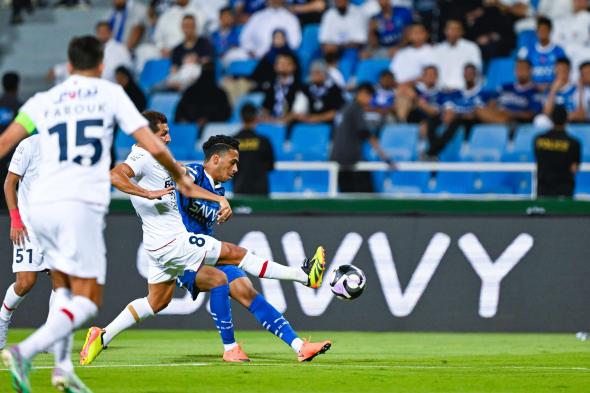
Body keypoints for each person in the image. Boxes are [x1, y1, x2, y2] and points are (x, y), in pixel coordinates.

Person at [0, 35, 202, 393]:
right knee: (86, 298)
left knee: (62, 287)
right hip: (75, 204)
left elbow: (3, 144)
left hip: (40, 209)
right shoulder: (109, 95)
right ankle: (24, 351)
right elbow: (149, 140)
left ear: (69, 64)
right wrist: (180, 177)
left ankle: (62, 370)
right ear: (100, 66)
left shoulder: (43, 101)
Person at [78, 116, 329, 365]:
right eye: (232, 163)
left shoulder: (210, 186)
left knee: (162, 300)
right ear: (216, 159)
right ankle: (303, 276)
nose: (169, 137)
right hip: (178, 248)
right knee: (233, 258)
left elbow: (184, 186)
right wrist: (147, 192)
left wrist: (218, 200)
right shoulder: (173, 166)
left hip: (177, 249)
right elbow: (120, 175)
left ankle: (299, 346)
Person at [0, 135, 49, 351]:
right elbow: (10, 183)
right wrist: (15, 219)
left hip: (58, 229)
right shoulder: (29, 145)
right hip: (29, 227)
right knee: (25, 282)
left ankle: (51, 335)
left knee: (61, 280)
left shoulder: (72, 147)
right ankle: (3, 318)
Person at [330, 83, 392, 193]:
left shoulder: (345, 108)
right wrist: (384, 156)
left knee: (347, 196)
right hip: (350, 159)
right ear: (361, 94)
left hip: (336, 157)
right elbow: (366, 134)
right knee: (367, 195)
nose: (369, 100)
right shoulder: (356, 109)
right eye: (369, 96)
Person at [476, 59, 542, 124]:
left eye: (523, 69)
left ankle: (504, 123)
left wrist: (510, 113)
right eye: (517, 69)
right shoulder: (505, 87)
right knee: (479, 110)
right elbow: (489, 100)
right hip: (498, 115)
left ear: (530, 71)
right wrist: (493, 105)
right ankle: (503, 123)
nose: (520, 72)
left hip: (515, 119)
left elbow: (530, 114)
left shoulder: (535, 91)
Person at [534, 105, 581, 197]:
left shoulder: (538, 140)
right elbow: (574, 169)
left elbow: (537, 159)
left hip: (543, 191)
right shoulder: (574, 143)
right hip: (564, 191)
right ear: (566, 119)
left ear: (551, 119)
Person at [232, 104, 275, 195]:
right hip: (260, 191)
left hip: (240, 191)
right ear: (256, 117)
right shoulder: (264, 141)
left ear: (241, 117)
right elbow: (271, 166)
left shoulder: (232, 142)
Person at [517, 16, 567, 91]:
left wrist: (551, 86)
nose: (542, 33)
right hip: (531, 91)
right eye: (540, 30)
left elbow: (563, 73)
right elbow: (521, 73)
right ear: (536, 32)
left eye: (545, 30)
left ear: (550, 31)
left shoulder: (559, 51)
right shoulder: (526, 51)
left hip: (553, 90)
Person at [433, 19, 482, 90]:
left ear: (462, 32)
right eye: (450, 29)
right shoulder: (437, 49)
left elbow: (477, 70)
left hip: (464, 91)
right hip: (441, 91)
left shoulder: (471, 47)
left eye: (457, 29)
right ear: (445, 31)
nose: (453, 32)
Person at [294, 60, 344, 124]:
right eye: (312, 72)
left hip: (328, 125)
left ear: (325, 73)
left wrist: (316, 118)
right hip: (307, 123)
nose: (315, 75)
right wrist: (303, 116)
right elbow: (299, 110)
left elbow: (335, 112)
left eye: (318, 72)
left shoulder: (335, 90)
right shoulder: (305, 89)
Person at [260, 53, 303, 124]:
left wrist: (280, 121)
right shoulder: (270, 85)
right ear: (275, 66)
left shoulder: (300, 87)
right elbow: (265, 108)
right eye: (280, 63)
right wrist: (267, 118)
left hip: (290, 125)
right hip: (271, 122)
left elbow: (297, 112)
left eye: (286, 63)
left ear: (294, 66)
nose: (282, 66)